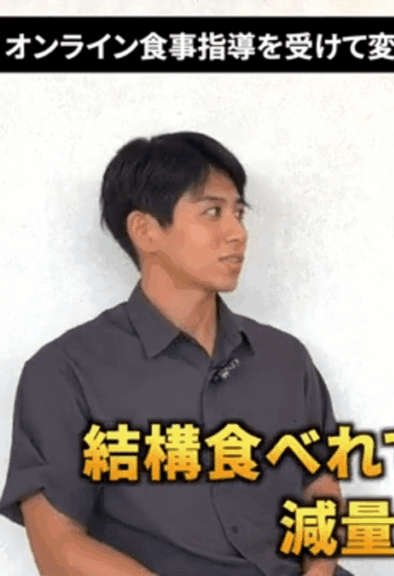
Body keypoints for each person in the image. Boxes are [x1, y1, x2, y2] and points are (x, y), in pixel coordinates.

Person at [0, 132, 351, 576]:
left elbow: (321, 486)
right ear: (145, 230)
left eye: (239, 213)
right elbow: (58, 546)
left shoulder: (285, 358)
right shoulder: (65, 371)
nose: (238, 233)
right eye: (212, 212)